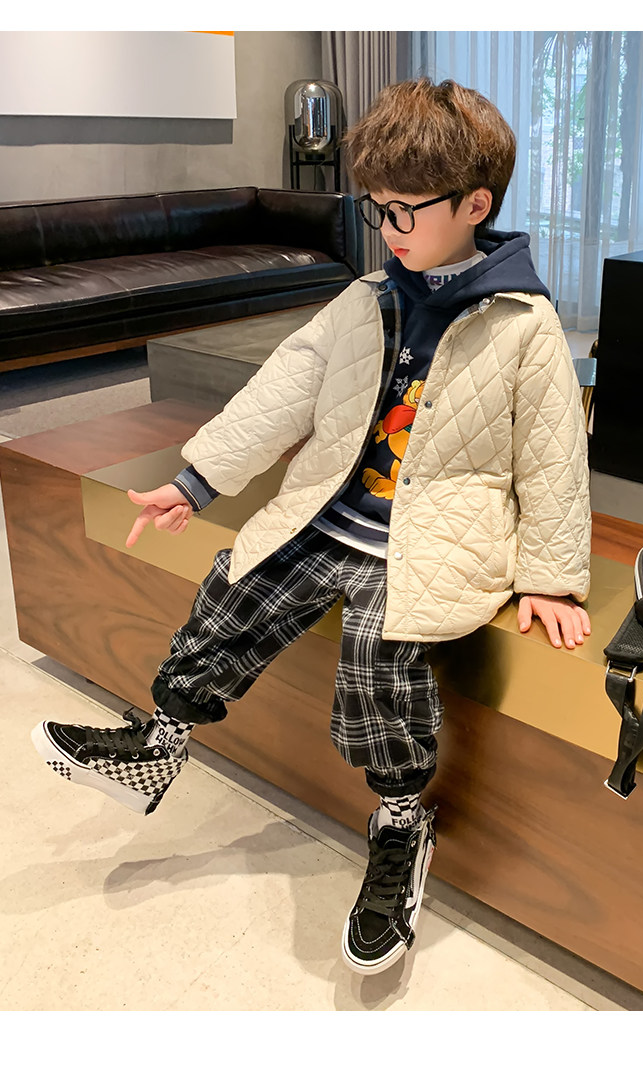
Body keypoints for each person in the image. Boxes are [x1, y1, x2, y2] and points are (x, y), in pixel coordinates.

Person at [31, 77, 591, 976]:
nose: (390, 229)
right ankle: (157, 745)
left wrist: (552, 577)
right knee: (235, 589)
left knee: (379, 659)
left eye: (406, 210)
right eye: (379, 209)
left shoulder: (525, 325)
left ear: (475, 206)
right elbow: (280, 392)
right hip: (329, 514)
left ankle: (401, 825)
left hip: (432, 540)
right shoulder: (365, 299)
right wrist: (196, 481)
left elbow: (554, 458)